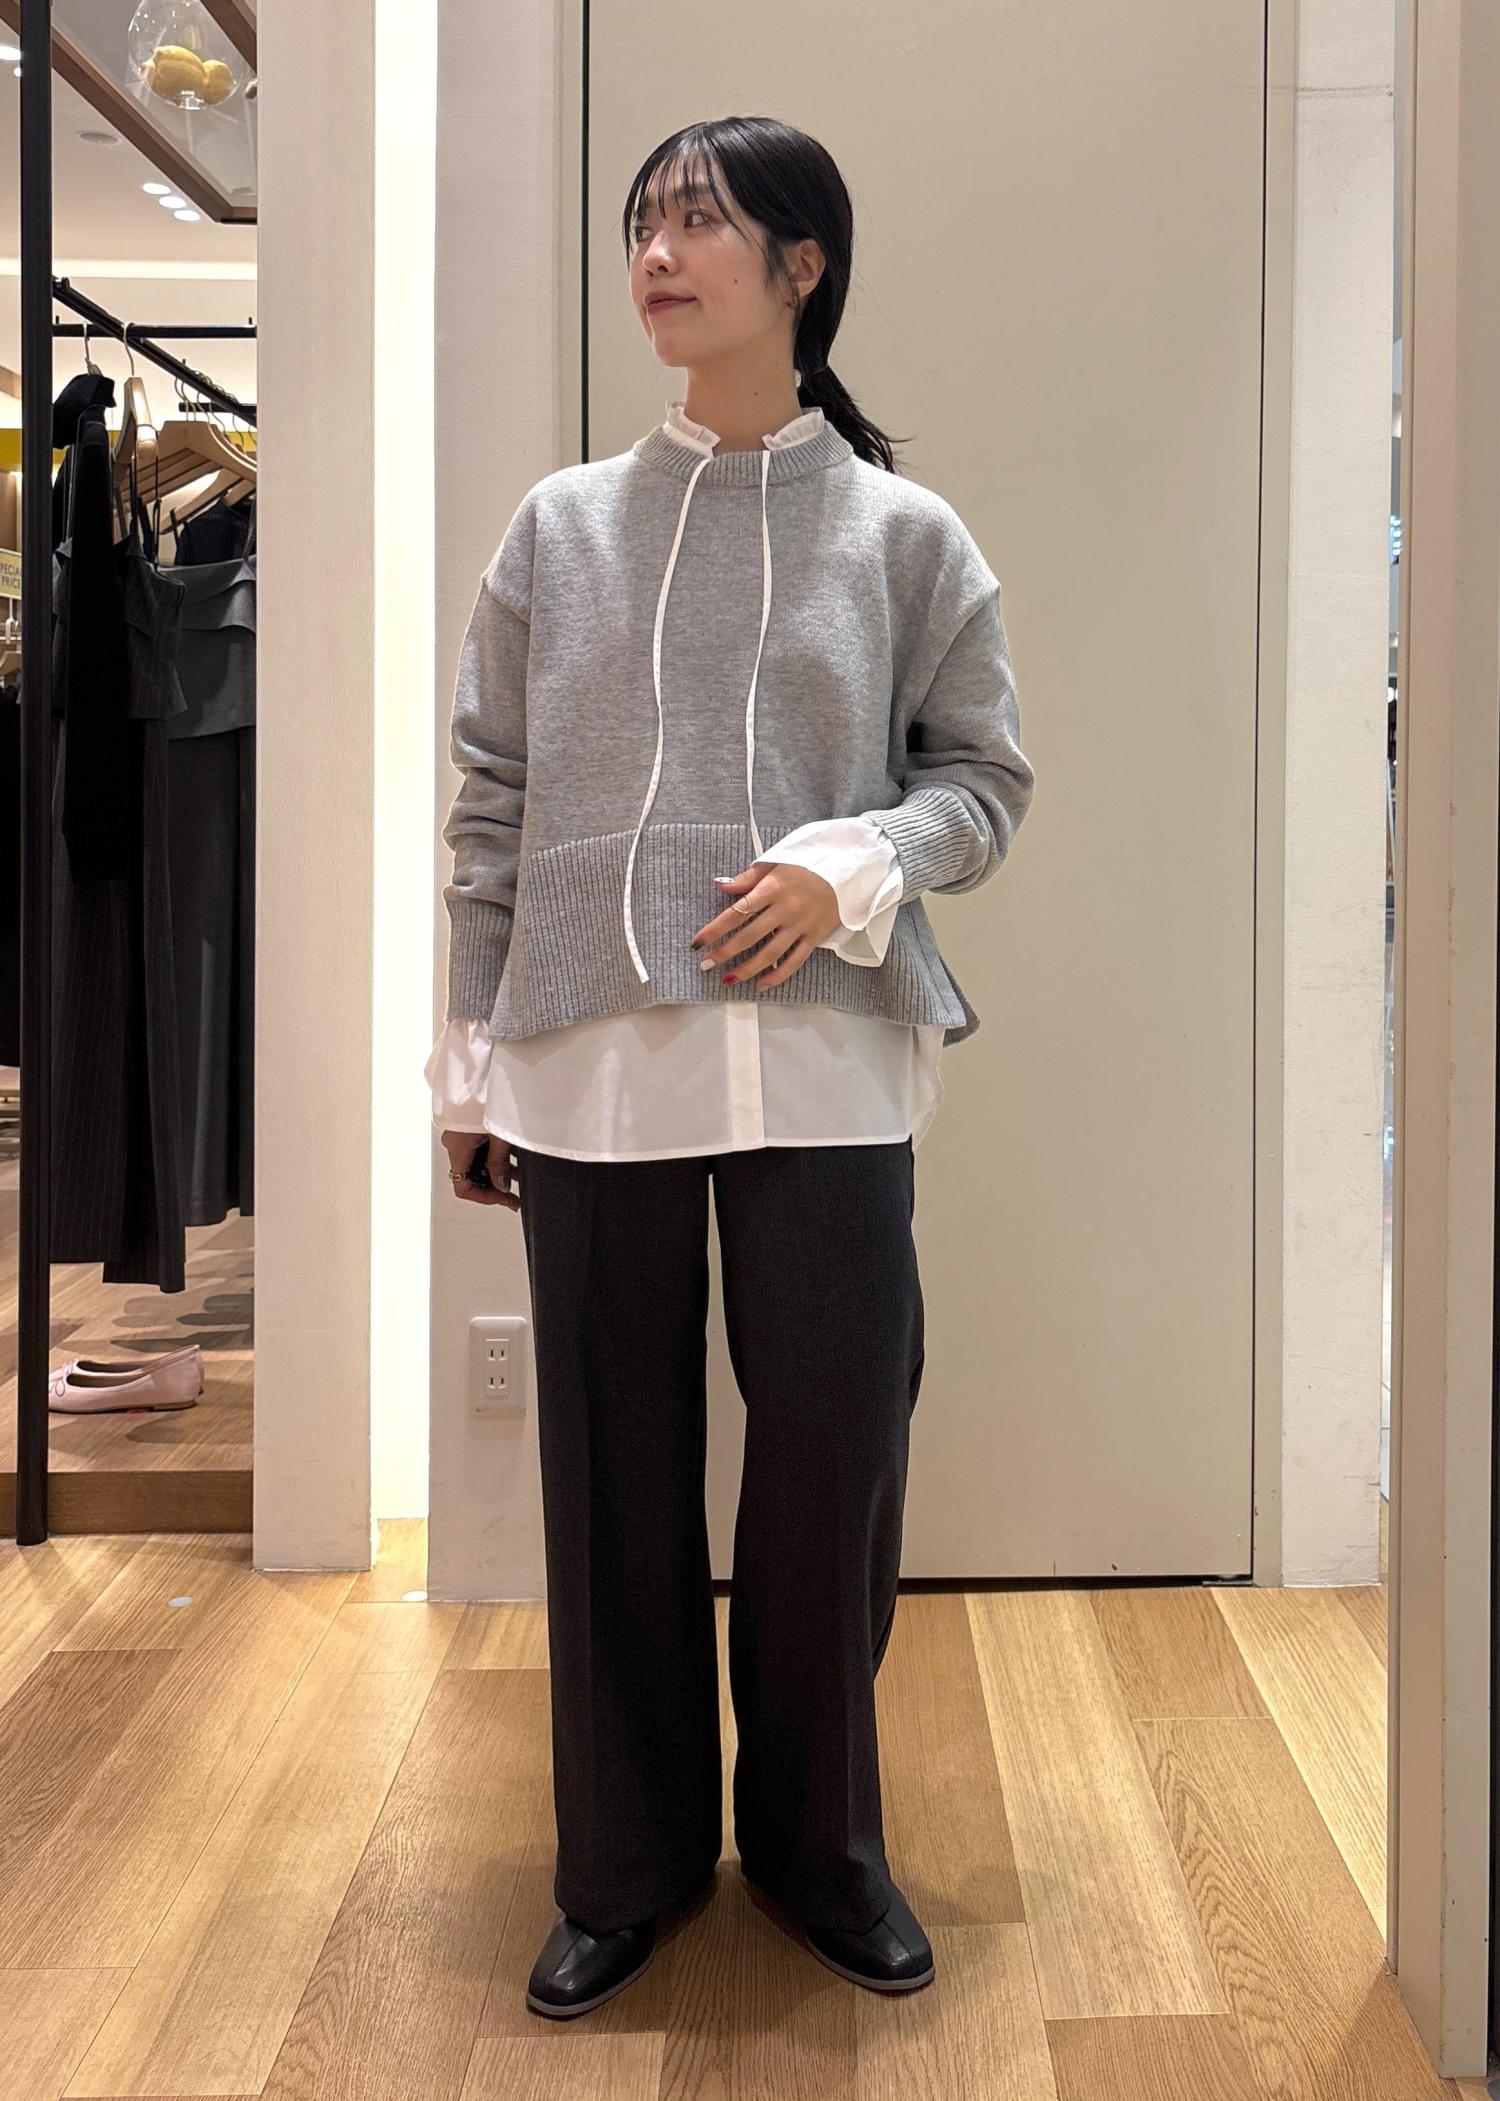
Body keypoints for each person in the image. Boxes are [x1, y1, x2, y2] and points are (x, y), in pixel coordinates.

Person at [426, 114, 1035, 2021]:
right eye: (645, 223)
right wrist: (468, 1065)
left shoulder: (906, 535)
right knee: (609, 1470)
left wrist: (859, 863)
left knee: (835, 1456)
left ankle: (818, 1847)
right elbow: (492, 803)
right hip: (588, 1064)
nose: (659, 255)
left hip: (829, 1064)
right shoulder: (560, 527)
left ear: (803, 265)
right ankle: (621, 1865)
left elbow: (984, 783)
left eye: (700, 221)